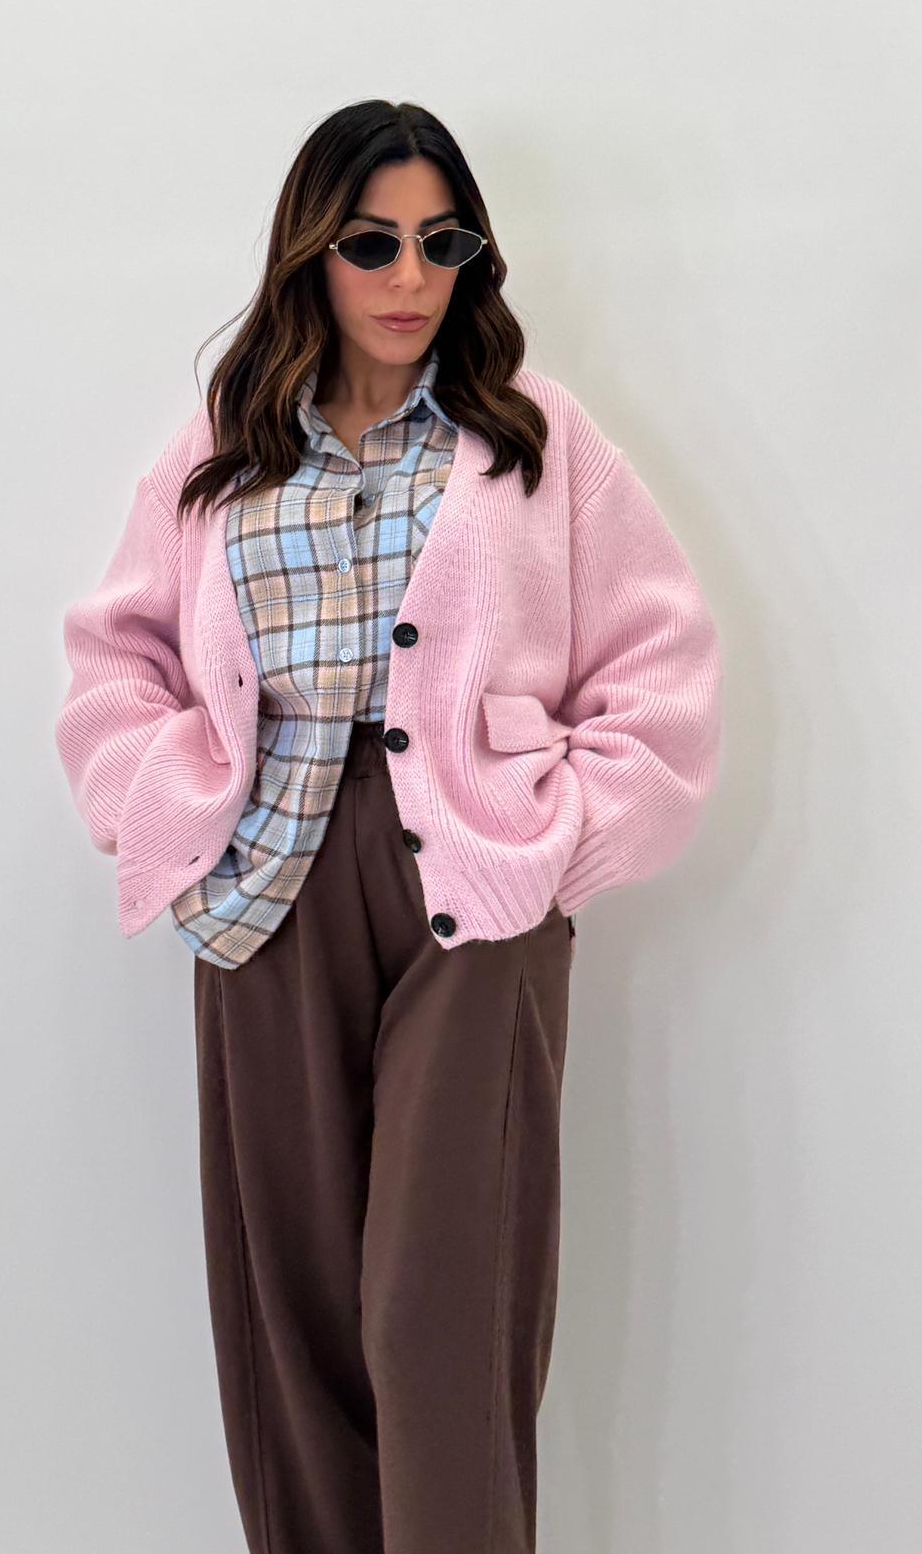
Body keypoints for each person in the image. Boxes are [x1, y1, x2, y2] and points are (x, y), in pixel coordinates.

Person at [55, 98, 723, 1554]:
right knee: (290, 1318)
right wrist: (166, 803)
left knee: (440, 1310)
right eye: (372, 243)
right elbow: (117, 665)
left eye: (442, 242)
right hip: (264, 888)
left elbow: (661, 671)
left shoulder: (529, 438)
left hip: (472, 889)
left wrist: (558, 839)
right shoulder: (223, 451)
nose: (410, 276)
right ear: (313, 251)